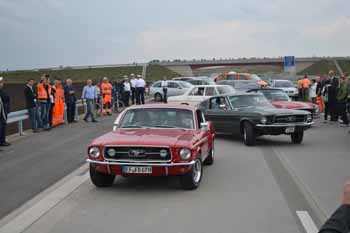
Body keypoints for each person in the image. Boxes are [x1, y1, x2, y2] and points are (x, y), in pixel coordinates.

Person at [0, 77, 10, 146]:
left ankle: (2, 141)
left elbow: (7, 99)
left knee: (3, 128)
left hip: (3, 112)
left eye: (2, 82)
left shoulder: (2, 91)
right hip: (1, 113)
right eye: (0, 82)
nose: (1, 84)